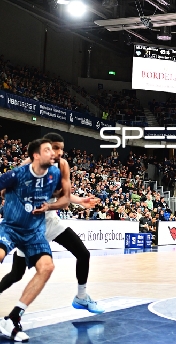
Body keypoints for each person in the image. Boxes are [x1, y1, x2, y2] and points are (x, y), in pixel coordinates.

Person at [0, 133, 104, 314]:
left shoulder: (62, 165)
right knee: (16, 274)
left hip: (51, 221)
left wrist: (80, 201)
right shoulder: (28, 165)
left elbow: (64, 195)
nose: (59, 152)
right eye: (55, 148)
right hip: (29, 226)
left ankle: (81, 297)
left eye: (61, 149)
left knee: (83, 254)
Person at [0, 138, 65, 341]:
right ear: (36, 155)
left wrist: (78, 201)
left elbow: (63, 196)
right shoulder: (16, 174)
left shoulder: (55, 174)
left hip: (34, 232)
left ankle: (13, 318)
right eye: (47, 150)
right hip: (11, 228)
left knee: (47, 267)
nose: (53, 153)